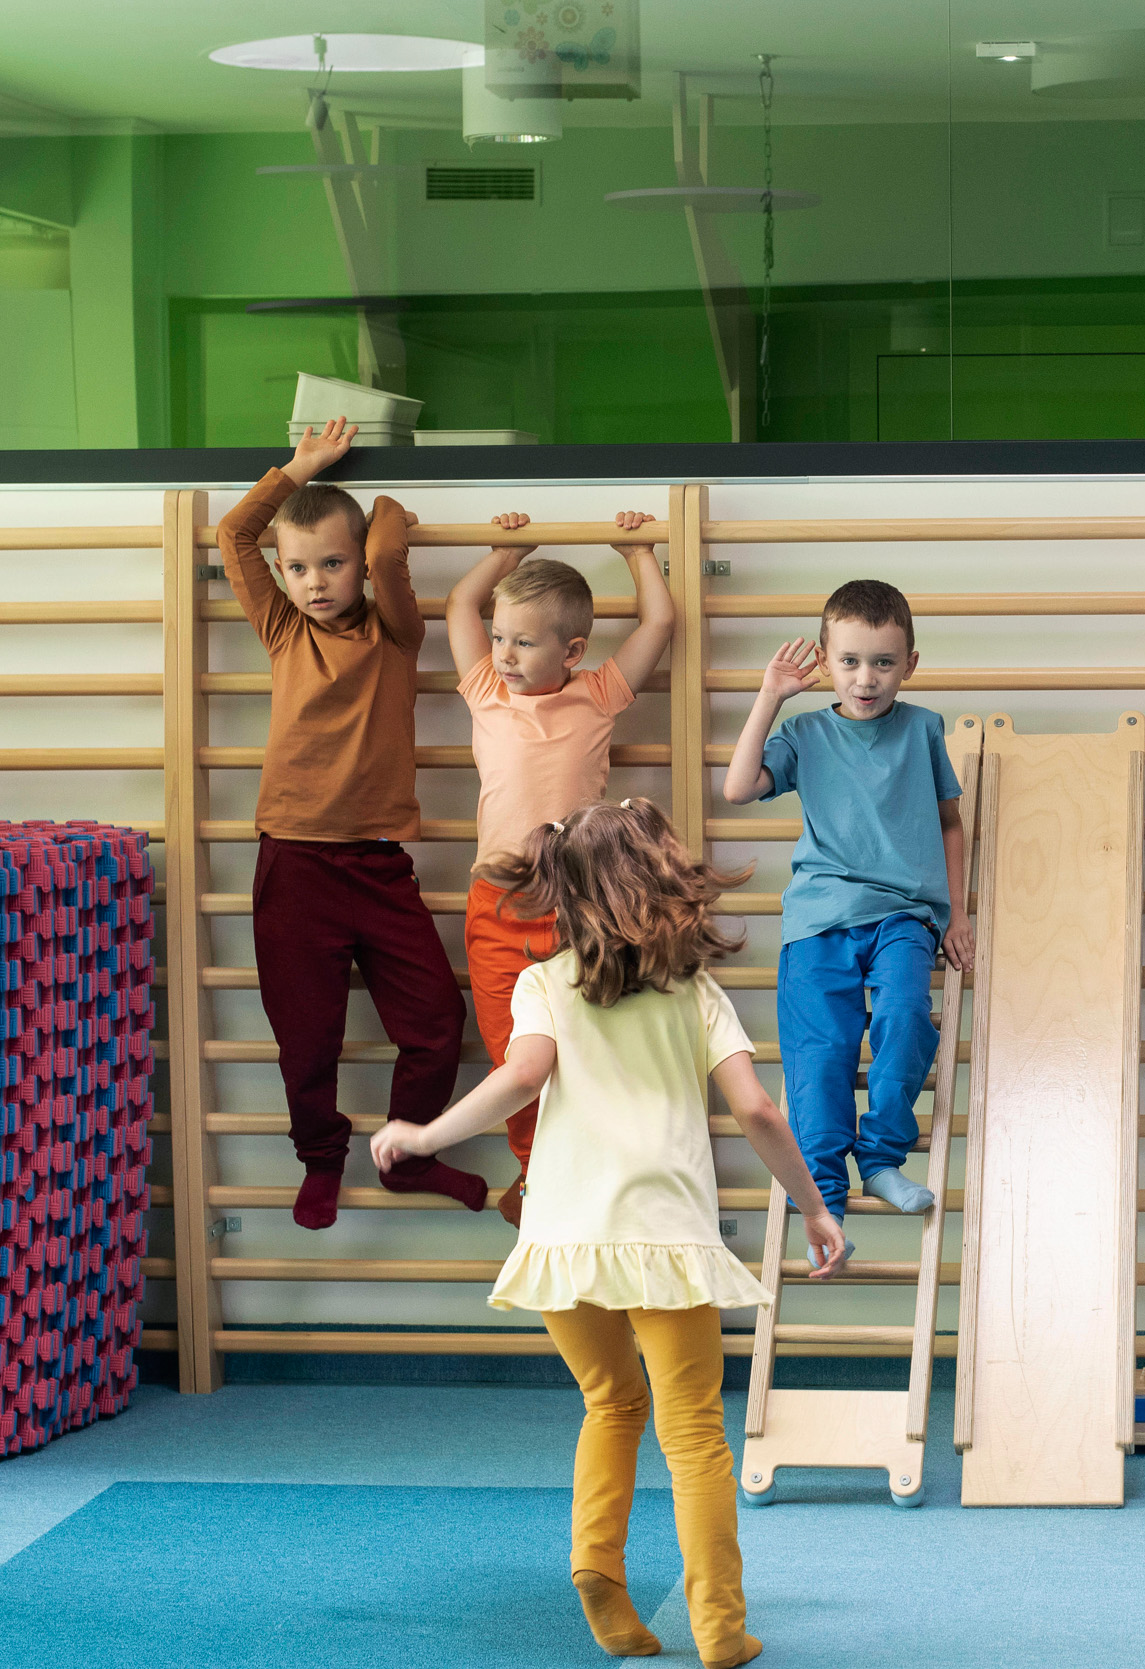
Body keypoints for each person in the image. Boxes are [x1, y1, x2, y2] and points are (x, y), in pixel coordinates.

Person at [371, 799, 841, 1669]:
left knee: (610, 1402)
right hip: (666, 1244)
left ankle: (598, 1567)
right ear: (664, 884)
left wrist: (429, 1135)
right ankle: (720, 1626)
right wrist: (814, 1207)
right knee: (693, 1430)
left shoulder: (543, 982)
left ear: (568, 896)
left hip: (563, 1240)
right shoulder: (697, 994)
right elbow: (758, 1110)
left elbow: (521, 1077)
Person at [217, 416, 475, 1230]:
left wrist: (376, 526)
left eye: (334, 563)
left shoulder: (395, 632)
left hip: (376, 866)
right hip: (293, 866)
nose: (315, 581)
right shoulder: (283, 628)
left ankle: (408, 1152)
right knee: (307, 1039)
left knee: (437, 1022)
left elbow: (392, 542)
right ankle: (320, 1157)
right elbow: (234, 531)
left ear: (360, 565)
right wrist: (296, 468)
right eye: (298, 568)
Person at [447, 509, 676, 1226]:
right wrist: (504, 552)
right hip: (498, 904)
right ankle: (532, 1170)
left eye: (523, 641)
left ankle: (588, 1167)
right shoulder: (486, 689)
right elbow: (459, 605)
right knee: (513, 1048)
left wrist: (638, 551)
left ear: (572, 649)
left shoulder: (597, 693)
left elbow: (660, 624)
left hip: (581, 902)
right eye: (500, 637)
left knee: (586, 1042)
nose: (505, 653)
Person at [722, 580, 972, 1223]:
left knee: (907, 1021)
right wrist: (770, 696)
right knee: (820, 1053)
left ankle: (883, 1159)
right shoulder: (804, 732)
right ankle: (824, 1200)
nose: (866, 679)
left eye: (884, 662)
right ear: (827, 662)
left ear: (909, 665)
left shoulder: (923, 728)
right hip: (818, 919)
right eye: (850, 661)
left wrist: (958, 913)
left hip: (903, 915)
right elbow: (738, 787)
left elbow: (950, 823)